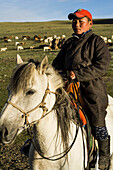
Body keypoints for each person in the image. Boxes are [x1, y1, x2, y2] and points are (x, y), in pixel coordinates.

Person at [52, 9, 111, 170]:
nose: (76, 24)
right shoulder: (69, 43)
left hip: (90, 87)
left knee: (97, 115)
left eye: (81, 21)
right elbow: (56, 64)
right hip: (67, 86)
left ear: (90, 23)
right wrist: (62, 74)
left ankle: (105, 154)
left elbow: (102, 67)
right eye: (74, 21)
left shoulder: (96, 41)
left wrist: (77, 74)